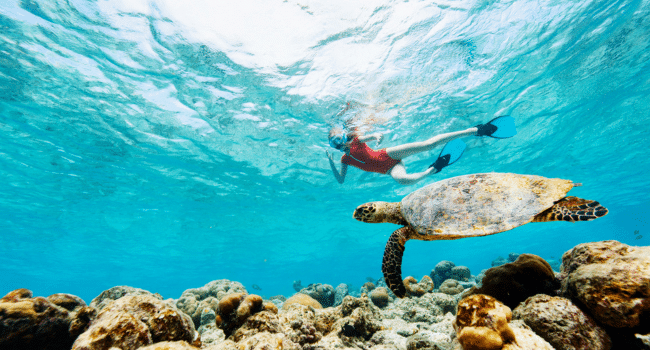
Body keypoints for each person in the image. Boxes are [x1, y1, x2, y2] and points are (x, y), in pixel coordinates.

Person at [326, 116, 516, 185]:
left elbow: (372, 136)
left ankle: (475, 130)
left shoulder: (357, 141)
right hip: (389, 169)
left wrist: (376, 137)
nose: (341, 144)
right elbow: (341, 180)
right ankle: (433, 169)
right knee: (403, 180)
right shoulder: (344, 160)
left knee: (428, 145)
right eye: (336, 143)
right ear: (334, 147)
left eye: (340, 139)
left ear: (344, 137)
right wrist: (331, 162)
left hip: (389, 154)